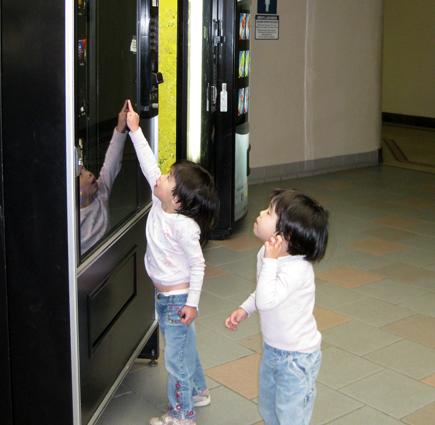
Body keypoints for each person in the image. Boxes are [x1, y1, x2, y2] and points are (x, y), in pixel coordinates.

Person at [126, 100, 220, 425]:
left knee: (175, 361)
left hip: (177, 301)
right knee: (185, 349)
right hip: (166, 298)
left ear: (177, 199)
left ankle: (182, 414)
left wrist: (192, 304)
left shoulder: (184, 227)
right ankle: (198, 390)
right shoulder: (160, 199)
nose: (161, 177)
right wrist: (136, 129)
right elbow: (148, 164)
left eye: (168, 177)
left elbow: (198, 266)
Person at [225, 189, 329, 425]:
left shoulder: (297, 269)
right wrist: (245, 309)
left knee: (290, 415)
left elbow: (266, 300)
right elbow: (263, 291)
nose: (261, 213)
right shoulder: (266, 254)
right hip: (272, 350)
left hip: (297, 359)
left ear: (286, 236)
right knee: (269, 408)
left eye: (269, 212)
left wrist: (270, 263)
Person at [79, 100, 129, 254]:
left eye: (86, 170)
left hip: (107, 261)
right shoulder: (72, 219)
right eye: (80, 175)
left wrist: (120, 128)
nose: (88, 174)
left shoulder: (101, 194)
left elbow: (110, 164)